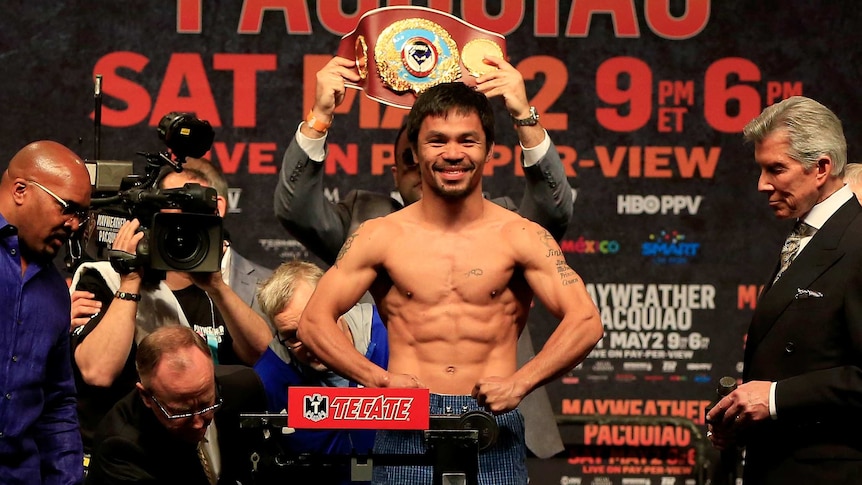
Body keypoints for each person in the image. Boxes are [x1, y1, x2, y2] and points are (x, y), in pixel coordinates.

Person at [297, 81, 604, 484]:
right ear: (416, 150)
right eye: (437, 141)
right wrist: (380, 380)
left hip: (491, 421)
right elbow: (313, 322)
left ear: (490, 150)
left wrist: (520, 383)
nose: (453, 154)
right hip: (406, 418)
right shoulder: (380, 236)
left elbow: (586, 320)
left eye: (468, 141)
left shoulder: (521, 235)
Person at [705, 96, 862, 484]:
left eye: (776, 169)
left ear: (821, 167)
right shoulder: (807, 234)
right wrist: (742, 417)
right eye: (761, 169)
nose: (762, 184)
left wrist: (773, 398)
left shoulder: (857, 242)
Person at [69, 161, 273, 452]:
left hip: (196, 453)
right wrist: (130, 279)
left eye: (193, 206)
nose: (182, 219)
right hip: (121, 453)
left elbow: (263, 360)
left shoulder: (215, 290)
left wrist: (216, 286)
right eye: (173, 202)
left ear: (216, 212)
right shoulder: (105, 279)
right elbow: (98, 372)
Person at [0, 141, 89, 484]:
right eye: (68, 208)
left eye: (82, 214)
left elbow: (56, 404)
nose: (75, 224)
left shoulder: (55, 291)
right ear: (21, 190)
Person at [252, 260, 387, 482]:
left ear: (338, 308)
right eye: (293, 335)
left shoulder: (389, 337)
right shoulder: (269, 377)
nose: (309, 341)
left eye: (313, 324)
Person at [85, 325, 267, 485]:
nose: (197, 422)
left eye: (206, 404)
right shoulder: (120, 448)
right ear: (146, 396)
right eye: (181, 412)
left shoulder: (244, 388)